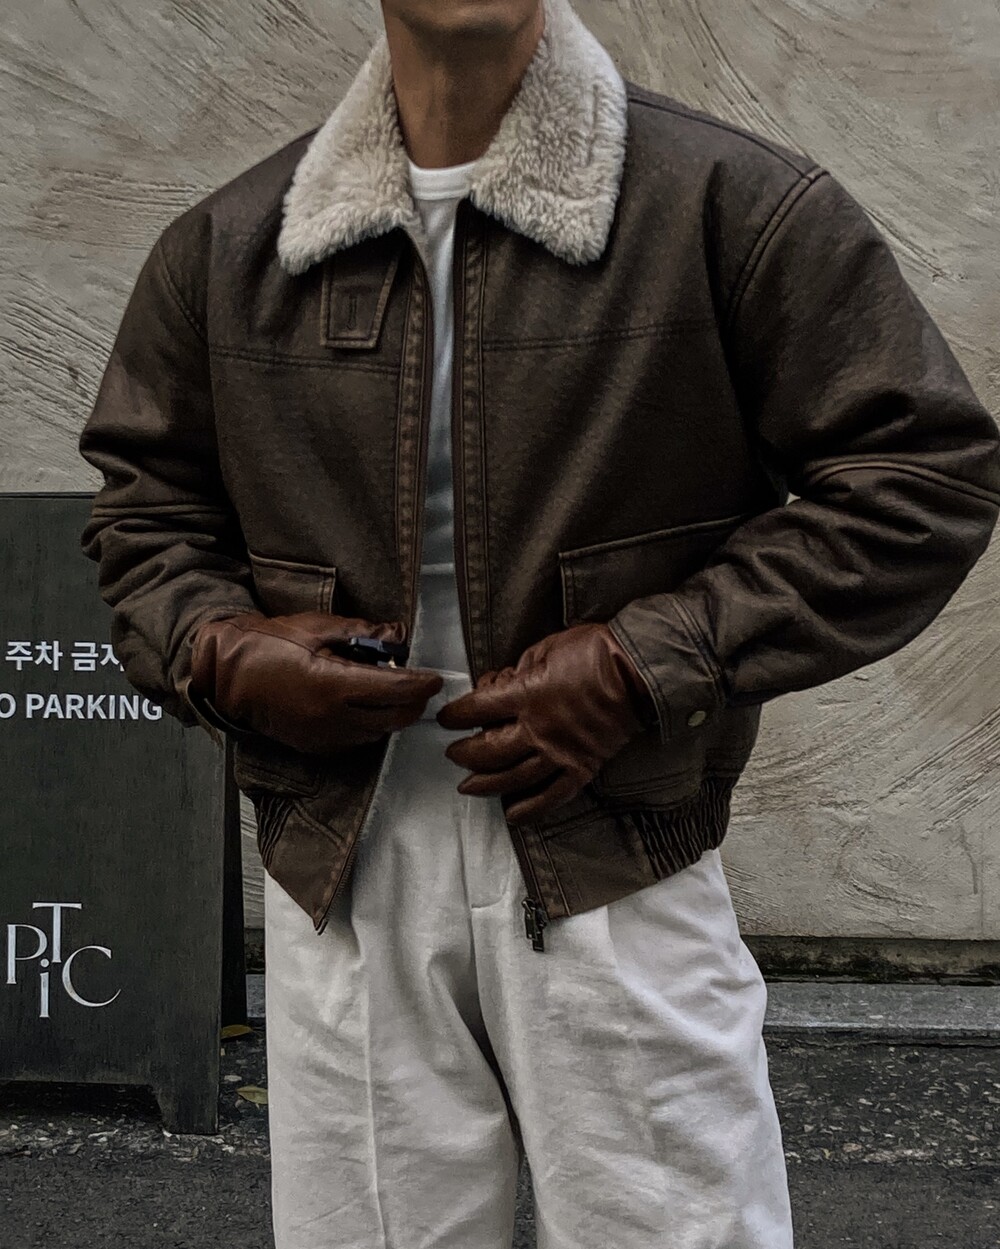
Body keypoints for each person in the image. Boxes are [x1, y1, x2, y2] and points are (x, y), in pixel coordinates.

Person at [77, 0, 1000, 1245]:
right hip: (342, 870)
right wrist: (221, 652)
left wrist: (645, 661)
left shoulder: (726, 205)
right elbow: (145, 518)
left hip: (615, 853)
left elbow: (920, 478)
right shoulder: (233, 245)